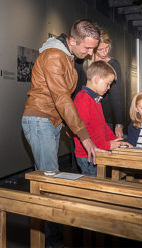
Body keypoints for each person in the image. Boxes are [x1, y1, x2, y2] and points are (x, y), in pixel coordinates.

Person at [22, 19, 109, 172]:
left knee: (45, 175)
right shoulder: (54, 56)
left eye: (93, 49)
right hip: (41, 120)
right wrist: (84, 136)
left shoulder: (66, 57)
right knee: (50, 176)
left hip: (50, 120)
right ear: (73, 41)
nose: (90, 53)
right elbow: (61, 97)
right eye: (87, 48)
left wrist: (69, 126)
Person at [73, 60, 132, 176]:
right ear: (96, 79)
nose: (109, 88)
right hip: (88, 154)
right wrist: (108, 145)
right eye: (107, 83)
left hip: (99, 150)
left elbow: (103, 125)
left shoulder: (96, 99)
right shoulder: (82, 99)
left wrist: (117, 141)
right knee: (93, 188)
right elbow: (85, 129)